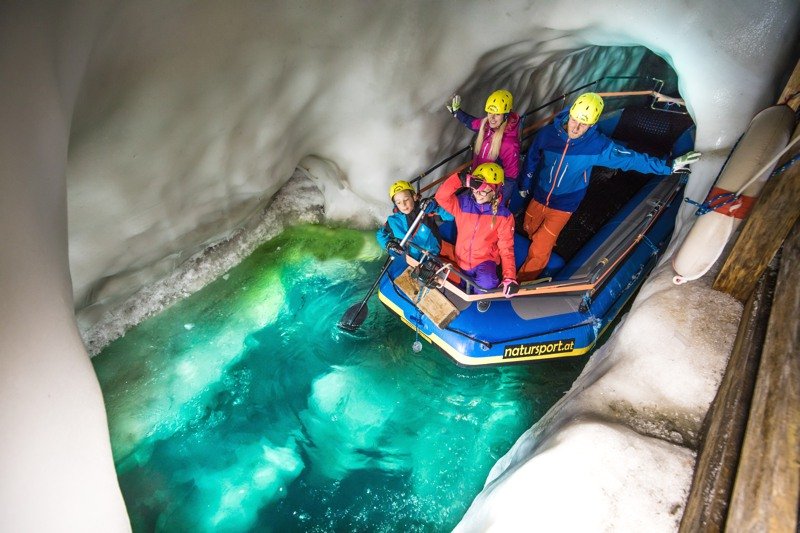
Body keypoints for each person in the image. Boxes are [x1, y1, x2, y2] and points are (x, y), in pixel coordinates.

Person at [517, 92, 701, 282]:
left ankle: (522, 282)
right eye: (574, 120)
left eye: (584, 124)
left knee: (541, 246)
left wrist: (668, 166)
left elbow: (630, 158)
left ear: (592, 124)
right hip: (540, 194)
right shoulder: (548, 135)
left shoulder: (597, 145)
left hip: (564, 204)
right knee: (529, 226)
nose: (576, 127)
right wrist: (525, 183)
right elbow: (532, 157)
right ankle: (540, 241)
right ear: (570, 114)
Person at [434, 162, 519, 297]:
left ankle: (481, 298)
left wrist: (509, 276)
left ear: (496, 189)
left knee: (487, 282)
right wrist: (461, 179)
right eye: (475, 188)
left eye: (484, 190)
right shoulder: (462, 204)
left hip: (485, 261)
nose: (478, 194)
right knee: (463, 284)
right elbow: (441, 197)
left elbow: (506, 247)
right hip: (462, 259)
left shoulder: (504, 216)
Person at [447, 90, 521, 209]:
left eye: (497, 114)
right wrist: (457, 112)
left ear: (506, 115)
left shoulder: (508, 144)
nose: (491, 118)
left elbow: (510, 177)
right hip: (477, 182)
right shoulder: (486, 126)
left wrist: (500, 203)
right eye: (489, 112)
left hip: (489, 191)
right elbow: (471, 122)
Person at [376, 180, 453, 261]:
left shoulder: (426, 210)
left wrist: (436, 207)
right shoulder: (393, 221)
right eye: (398, 202)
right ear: (395, 204)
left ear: (414, 197)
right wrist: (388, 244)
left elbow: (450, 216)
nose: (403, 205)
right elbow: (380, 235)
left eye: (406, 199)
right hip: (412, 258)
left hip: (433, 254)